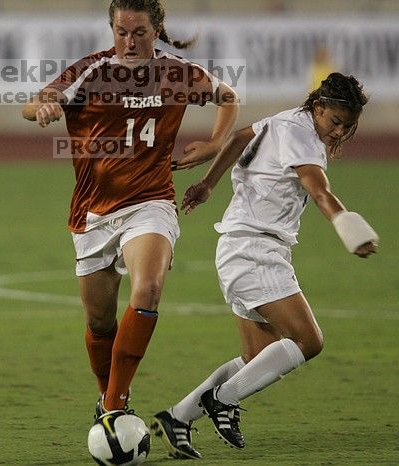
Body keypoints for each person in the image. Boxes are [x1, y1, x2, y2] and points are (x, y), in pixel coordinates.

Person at [22, 0, 238, 428]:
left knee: (149, 288)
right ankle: (108, 395)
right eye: (121, 32)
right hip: (93, 213)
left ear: (157, 30)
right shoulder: (91, 71)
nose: (129, 41)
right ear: (111, 30)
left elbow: (227, 97)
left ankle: (116, 404)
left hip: (151, 203)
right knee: (100, 322)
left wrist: (215, 145)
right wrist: (43, 107)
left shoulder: (176, 73)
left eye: (139, 32)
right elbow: (33, 103)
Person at [151, 72, 377, 458]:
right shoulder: (301, 135)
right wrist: (349, 227)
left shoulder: (286, 120)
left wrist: (208, 183)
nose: (338, 132)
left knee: (257, 358)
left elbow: (240, 136)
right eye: (334, 121)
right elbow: (320, 191)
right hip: (256, 252)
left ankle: (178, 416)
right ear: (318, 107)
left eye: (347, 126)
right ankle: (222, 399)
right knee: (309, 341)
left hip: (241, 248)